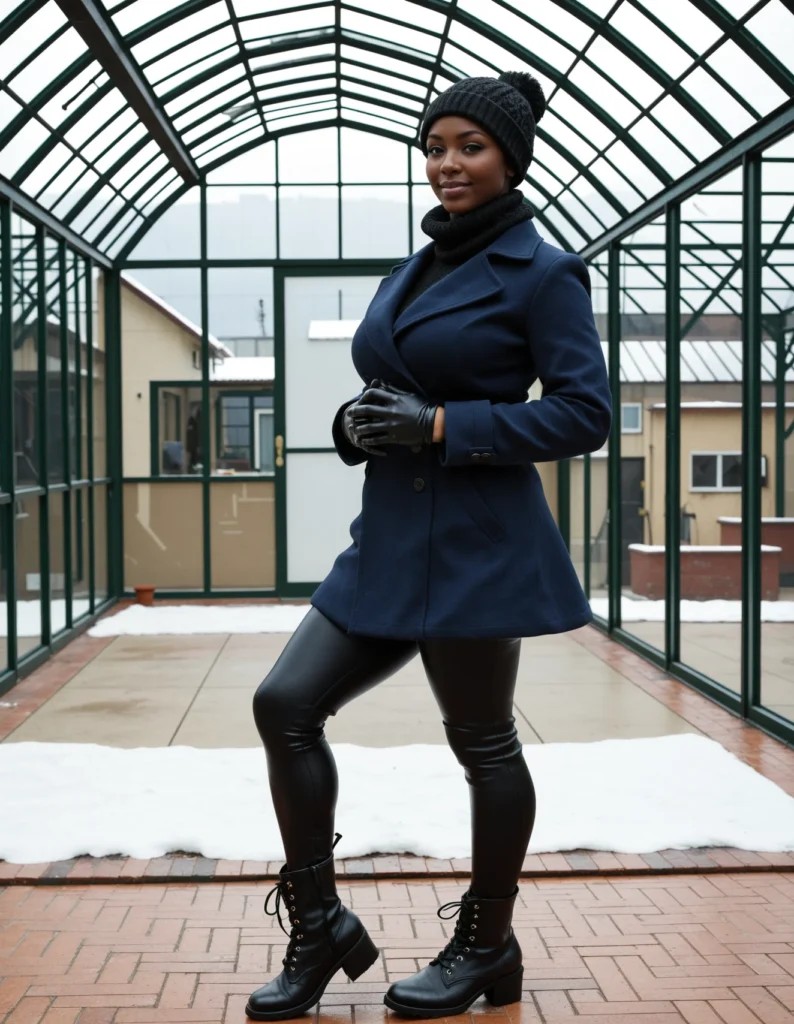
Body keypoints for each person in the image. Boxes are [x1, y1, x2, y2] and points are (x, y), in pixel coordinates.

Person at [248, 71, 612, 1021]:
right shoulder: (413, 268)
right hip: (389, 541)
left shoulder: (545, 273)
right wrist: (360, 421)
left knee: (484, 745)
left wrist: (447, 425)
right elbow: (391, 382)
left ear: (510, 157)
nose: (447, 164)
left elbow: (584, 414)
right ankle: (319, 926)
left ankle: (488, 943)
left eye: (470, 147)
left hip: (481, 550)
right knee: (283, 703)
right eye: (436, 146)